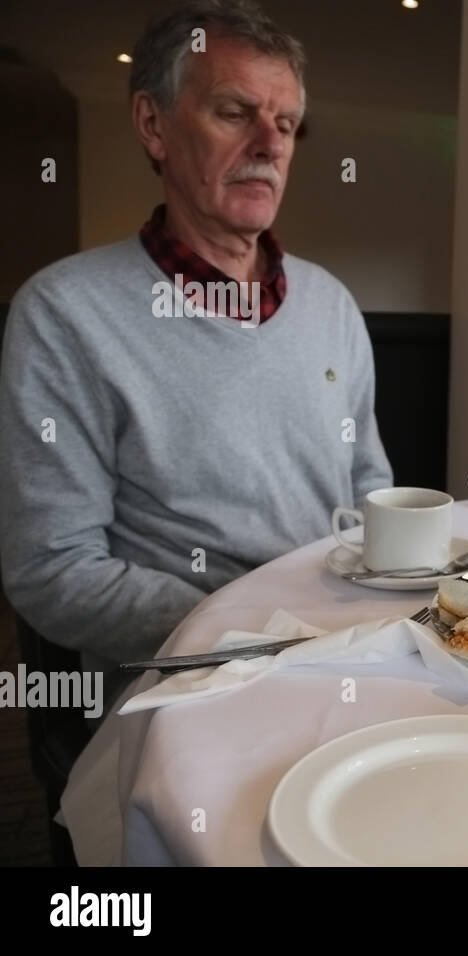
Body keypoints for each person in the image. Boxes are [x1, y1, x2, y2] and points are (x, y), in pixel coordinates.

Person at [0, 0, 392, 681]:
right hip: (185, 682)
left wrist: (382, 612)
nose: (270, 145)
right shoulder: (65, 314)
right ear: (154, 124)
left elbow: (369, 491)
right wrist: (259, 633)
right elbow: (51, 571)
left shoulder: (330, 303)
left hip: (344, 657)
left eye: (287, 124)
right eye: (235, 113)